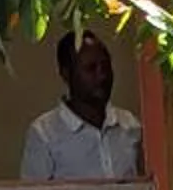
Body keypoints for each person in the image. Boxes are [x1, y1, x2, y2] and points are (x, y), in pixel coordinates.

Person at [19, 29, 142, 181]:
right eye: (91, 68)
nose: (102, 76)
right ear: (66, 74)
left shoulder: (130, 125)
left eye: (105, 66)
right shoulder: (44, 134)